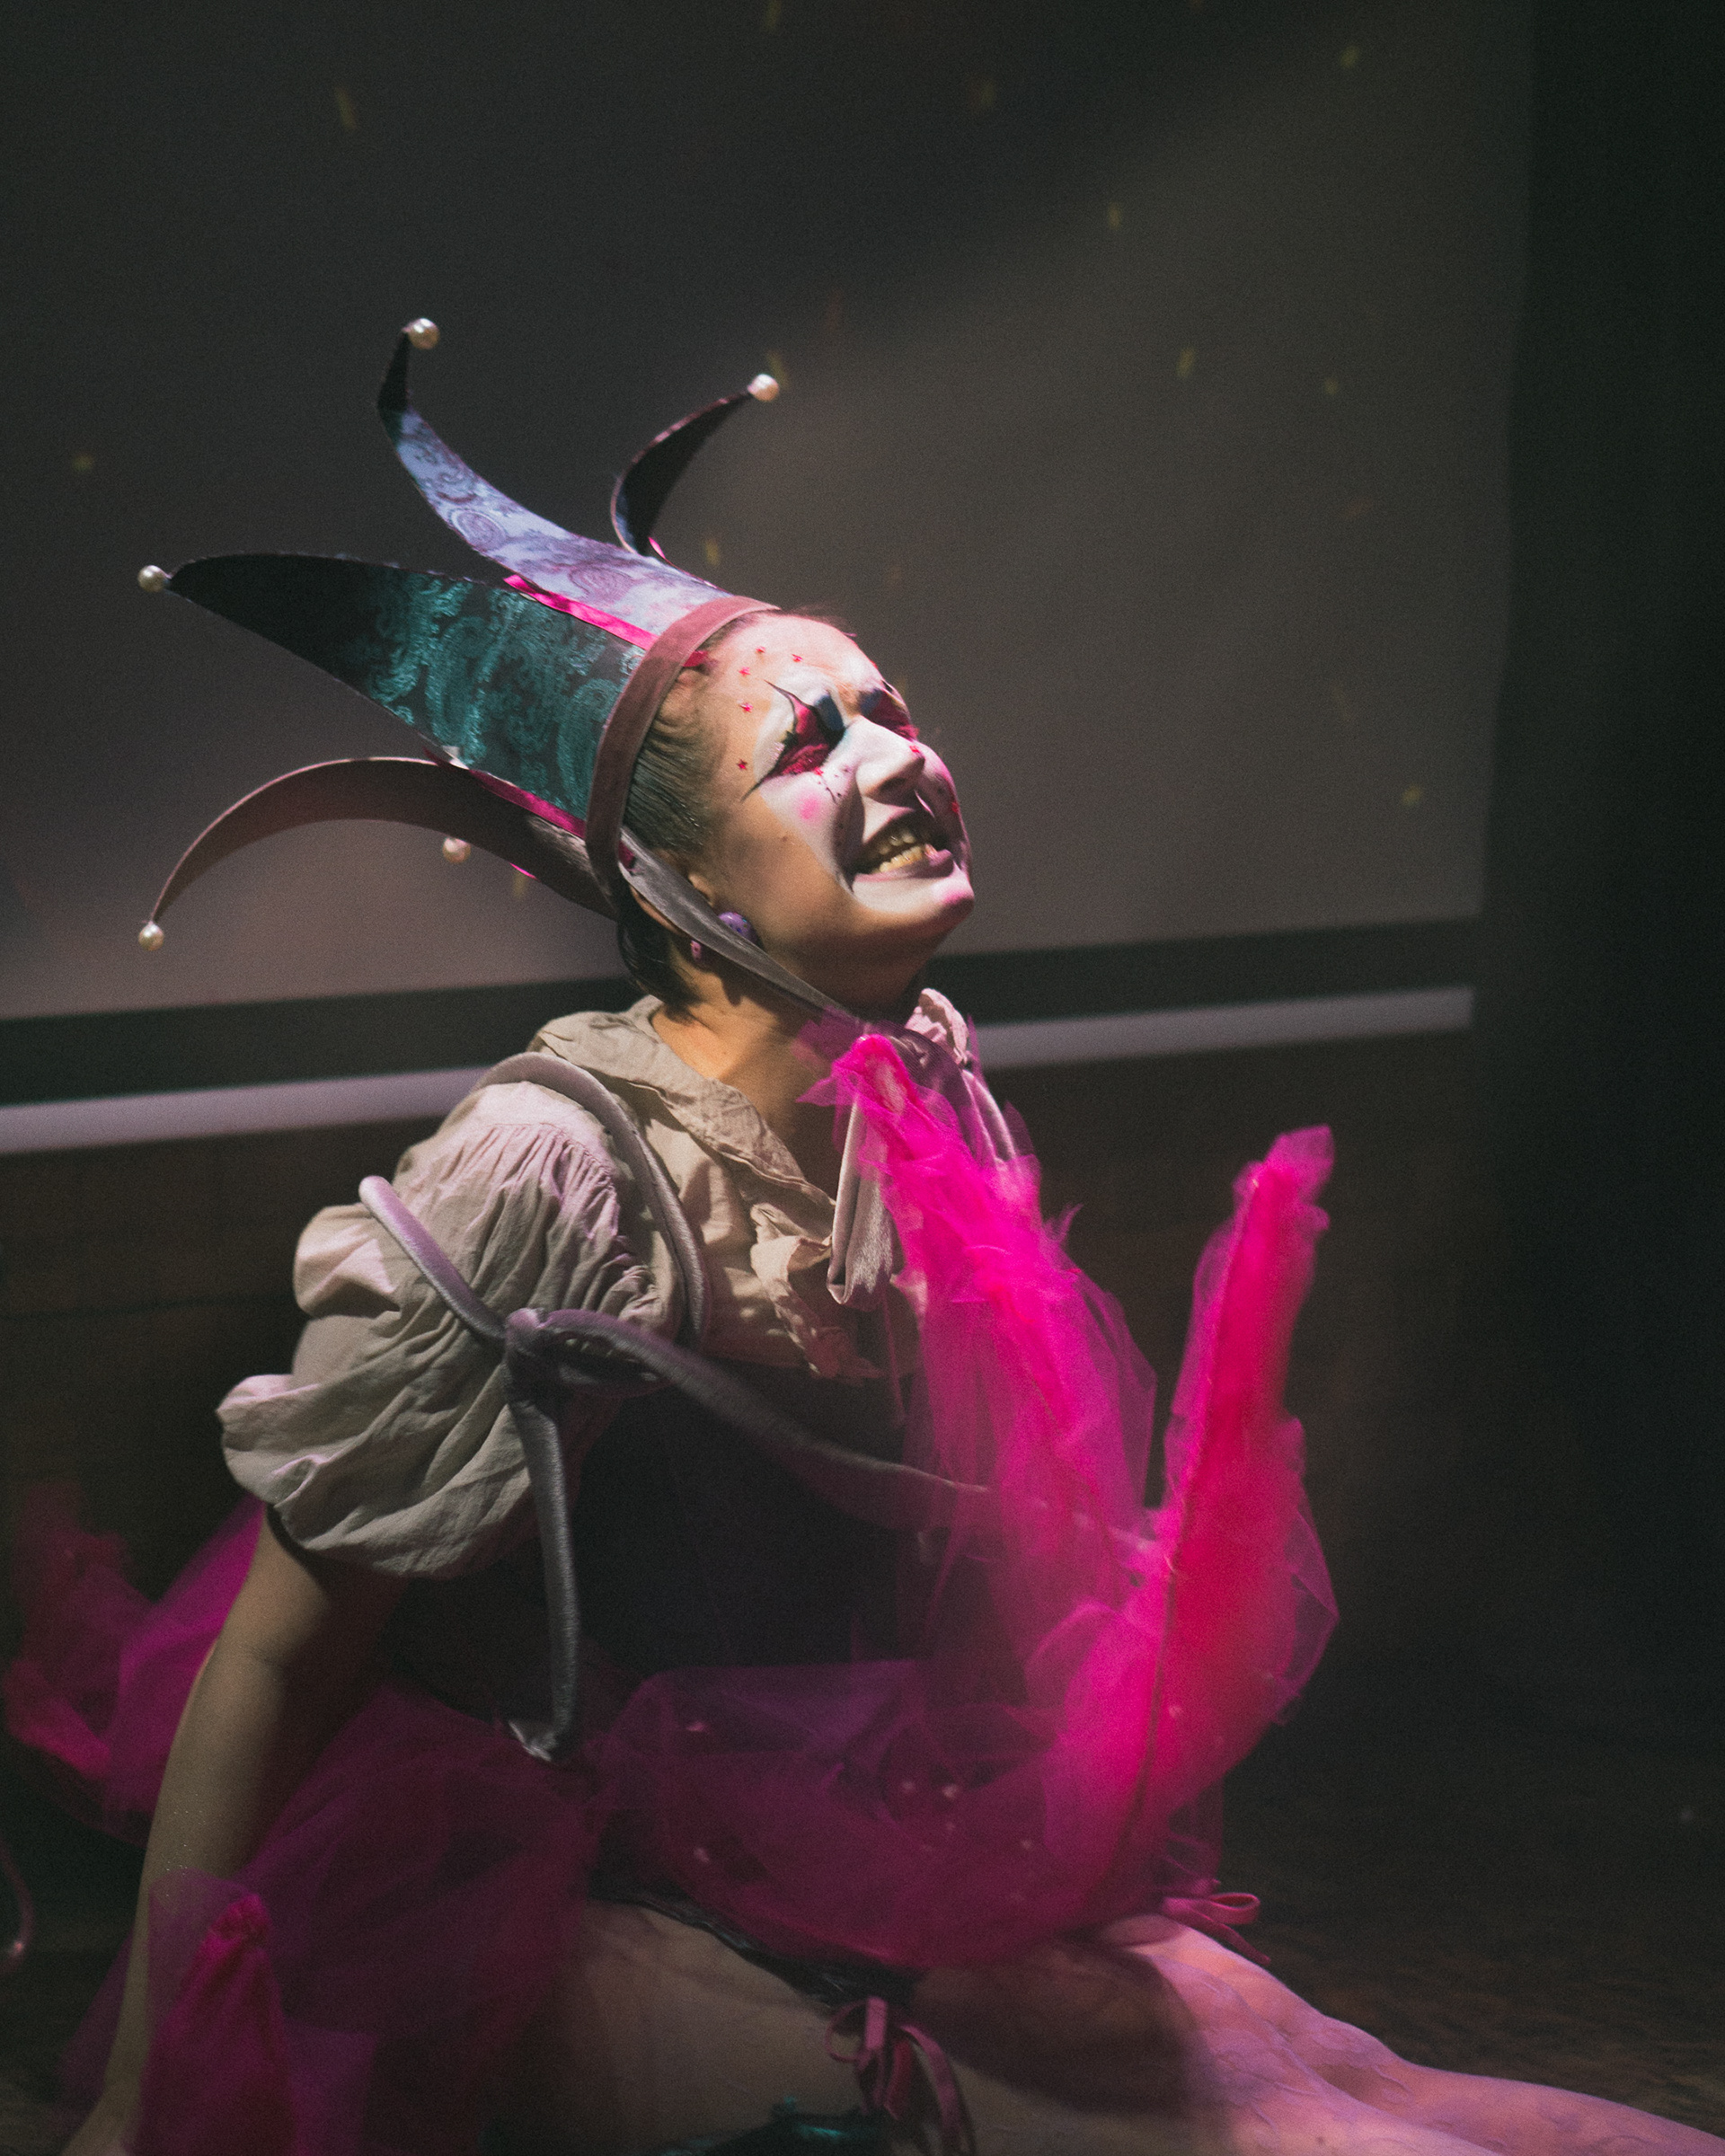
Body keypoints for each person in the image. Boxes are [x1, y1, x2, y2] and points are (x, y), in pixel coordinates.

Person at [13, 328, 1718, 2156]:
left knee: (1348, 2079)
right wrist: (151, 2085)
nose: (898, 760)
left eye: (891, 711)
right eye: (808, 745)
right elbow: (285, 1651)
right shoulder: (559, 1164)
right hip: (566, 1901)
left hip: (852, 1848)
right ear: (681, 880)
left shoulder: (921, 1086)